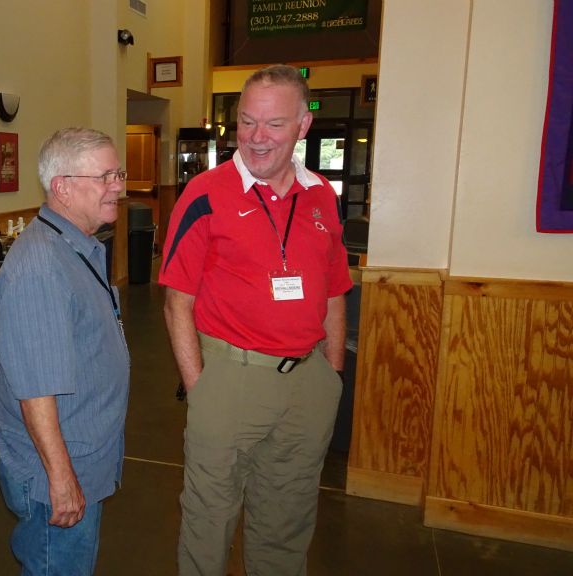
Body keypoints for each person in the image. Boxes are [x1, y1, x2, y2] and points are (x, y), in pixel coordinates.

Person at [160, 65, 351, 575]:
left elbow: (335, 290)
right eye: (246, 123)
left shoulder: (322, 199)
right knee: (209, 523)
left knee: (288, 522)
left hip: (307, 384)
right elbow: (176, 300)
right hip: (230, 381)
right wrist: (199, 387)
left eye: (273, 125)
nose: (257, 138)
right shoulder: (204, 194)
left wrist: (330, 375)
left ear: (303, 127)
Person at [0, 127, 130, 576]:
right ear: (62, 187)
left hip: (83, 453)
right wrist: (61, 478)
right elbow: (35, 392)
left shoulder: (78, 245)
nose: (119, 187)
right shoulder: (40, 267)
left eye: (118, 173)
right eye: (106, 176)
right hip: (59, 466)